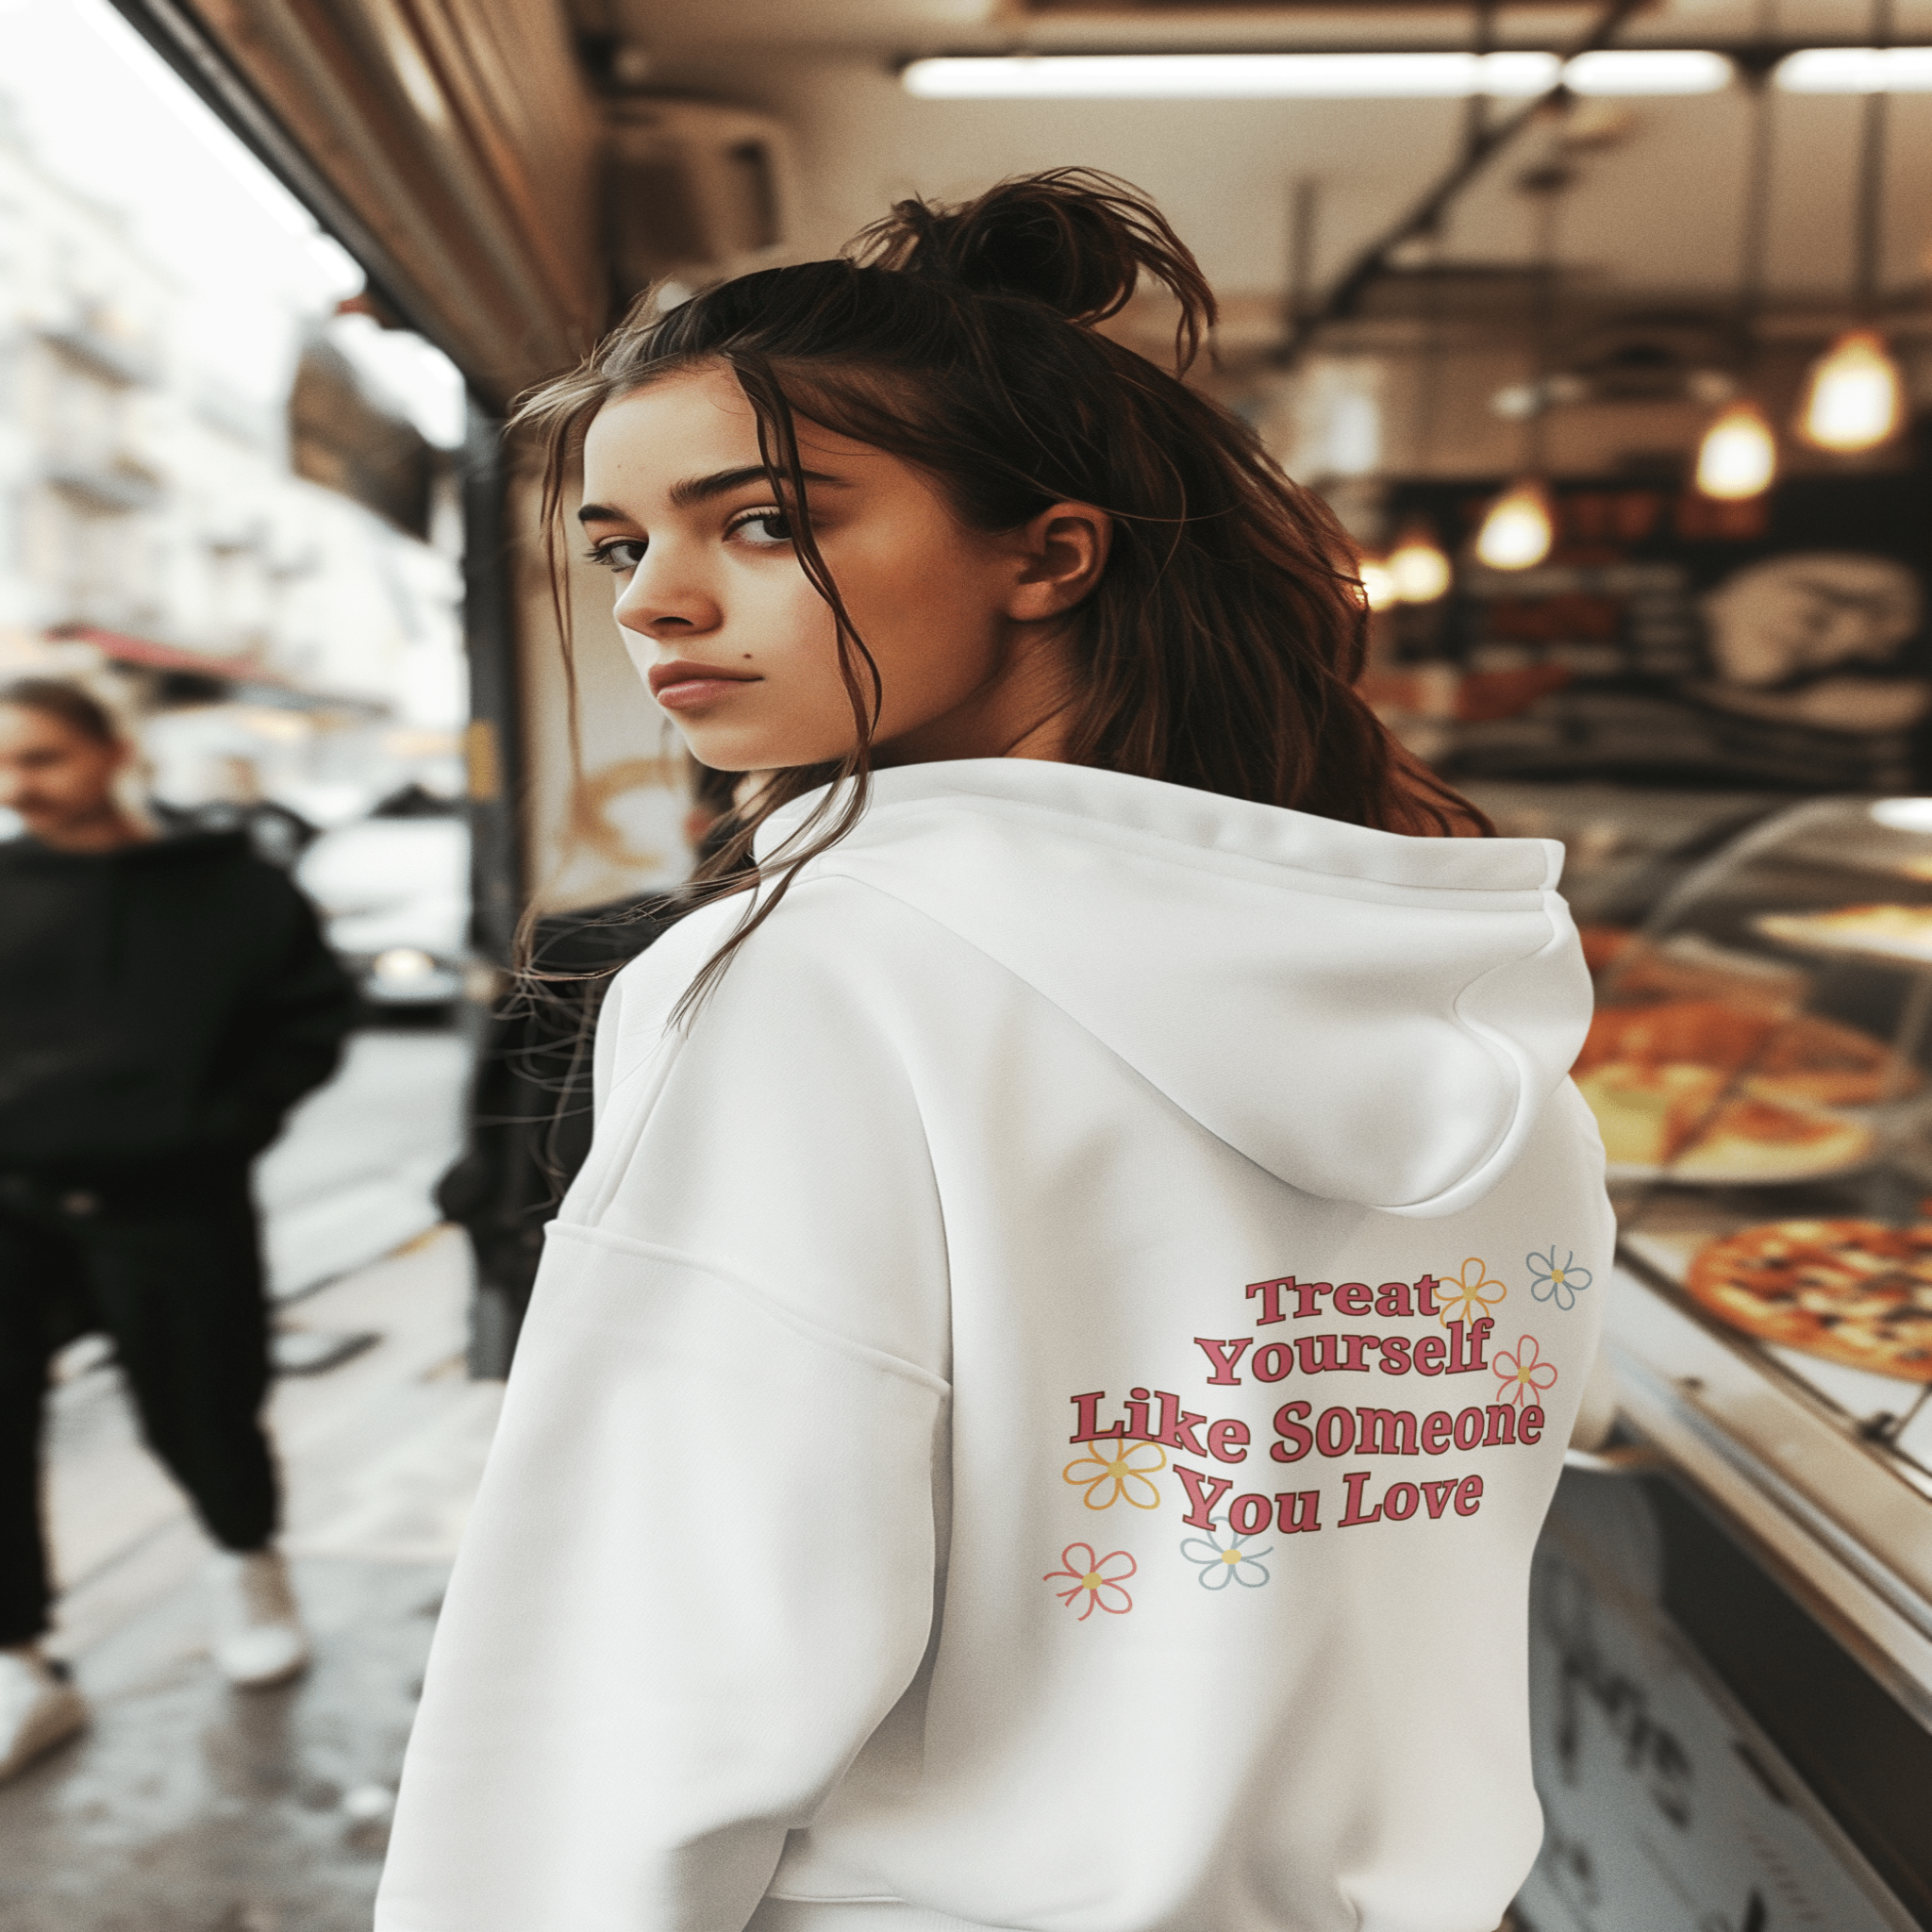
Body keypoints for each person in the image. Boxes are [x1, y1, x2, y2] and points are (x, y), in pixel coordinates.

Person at [376, 172, 1609, 1932]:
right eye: (618, 543)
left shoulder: (822, 973)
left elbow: (651, 1642)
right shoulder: (1463, 1002)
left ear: (1048, 550)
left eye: (767, 523)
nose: (653, 601)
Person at [0, 678, 358, 1783]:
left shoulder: (232, 887)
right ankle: (19, 1656)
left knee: (203, 1401)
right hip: (9, 1196)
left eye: (44, 757)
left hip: (176, 1195)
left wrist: (220, 1128)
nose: (20, 785)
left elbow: (310, 1017)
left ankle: (247, 1562)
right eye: (4, 763)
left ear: (113, 750)